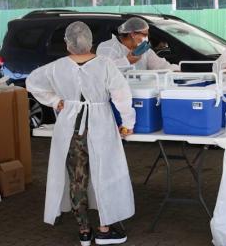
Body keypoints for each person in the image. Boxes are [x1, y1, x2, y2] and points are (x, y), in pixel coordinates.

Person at [26, 22, 136, 246]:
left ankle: (84, 231)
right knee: (104, 174)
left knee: (78, 179)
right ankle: (104, 229)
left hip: (70, 128)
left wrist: (56, 101)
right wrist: (127, 122)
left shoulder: (57, 67)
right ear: (90, 42)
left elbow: (32, 82)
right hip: (100, 126)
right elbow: (121, 94)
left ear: (68, 44)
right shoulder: (105, 65)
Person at [97, 17, 179, 71]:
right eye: (144, 35)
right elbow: (103, 71)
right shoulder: (108, 48)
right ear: (133, 34)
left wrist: (178, 70)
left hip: (141, 92)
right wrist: (127, 61)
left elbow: (161, 66)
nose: (147, 38)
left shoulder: (143, 50)